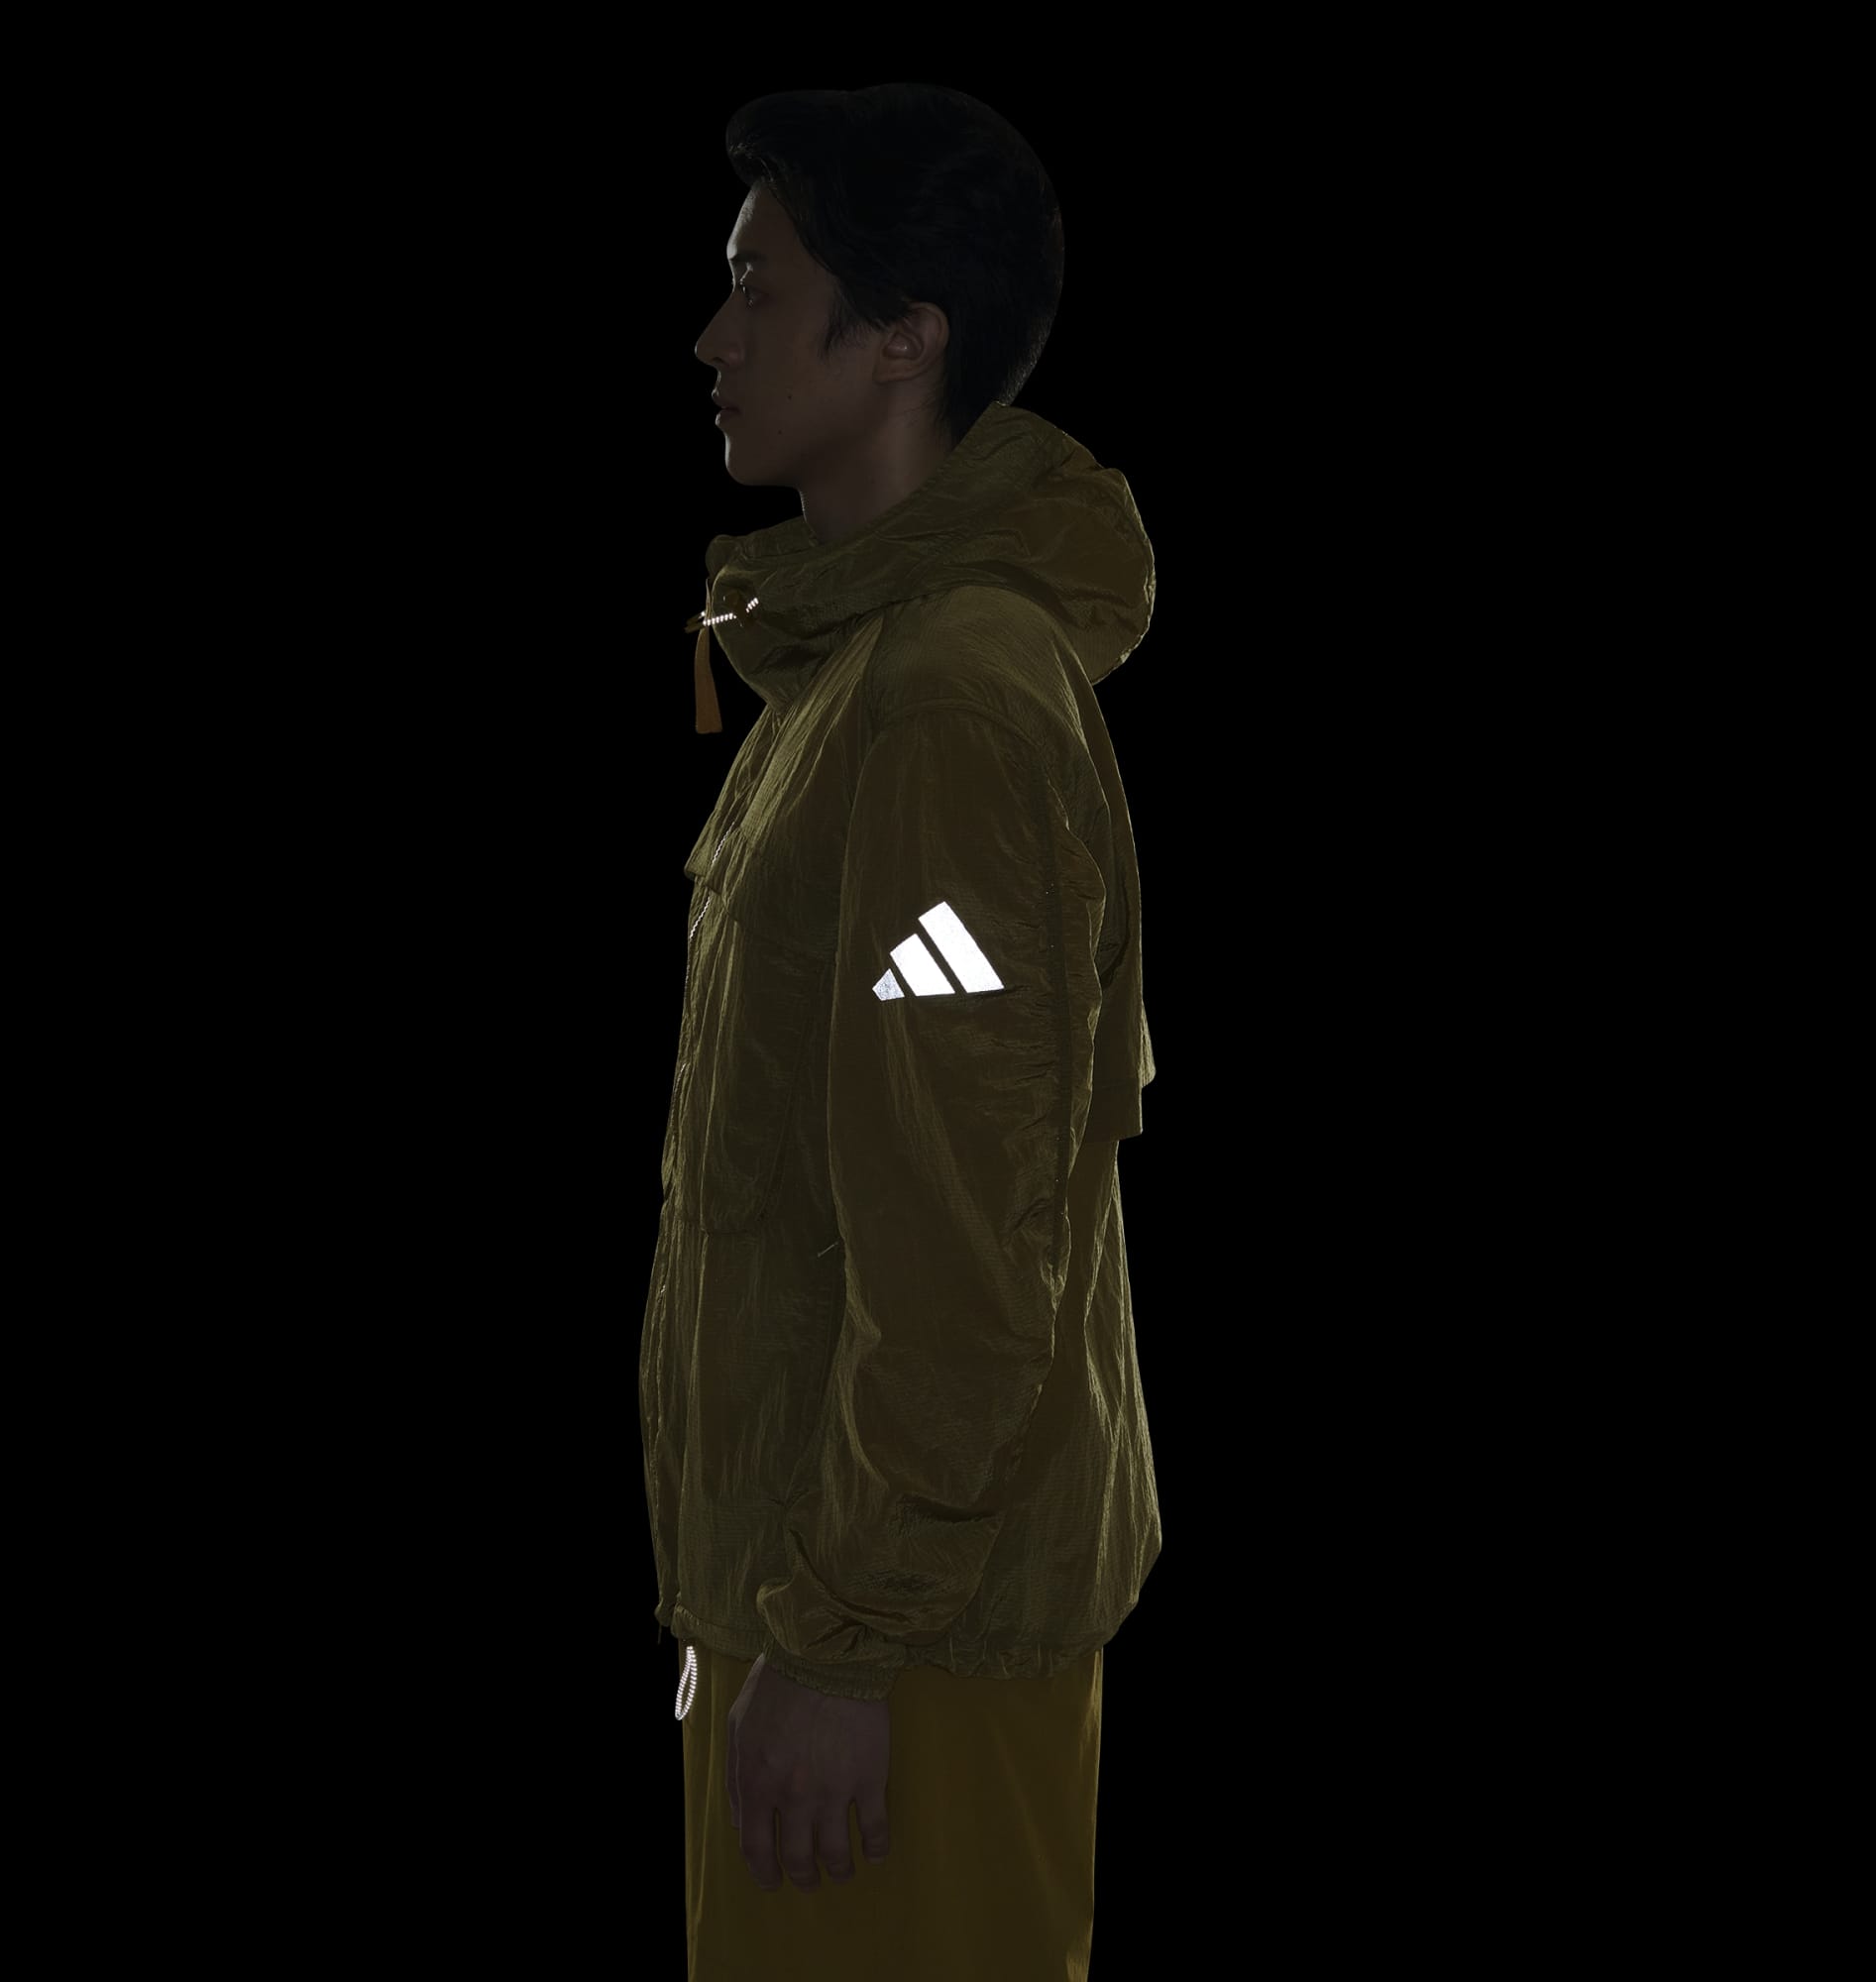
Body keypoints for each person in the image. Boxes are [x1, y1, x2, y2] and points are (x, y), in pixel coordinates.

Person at [646, 81, 1162, 1979]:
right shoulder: (850, 678)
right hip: (813, 1614)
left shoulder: (946, 706)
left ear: (901, 340)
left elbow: (965, 1243)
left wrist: (844, 1644)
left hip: (903, 1660)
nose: (713, 338)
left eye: (759, 289)